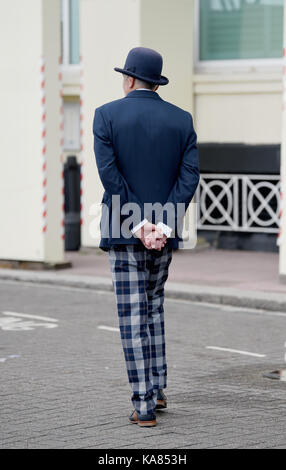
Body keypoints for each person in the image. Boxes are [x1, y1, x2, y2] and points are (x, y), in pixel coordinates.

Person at [93, 46, 200, 427]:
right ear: (155, 82)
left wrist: (138, 225)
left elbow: (110, 177)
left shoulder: (106, 115)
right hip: (164, 235)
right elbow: (188, 178)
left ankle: (144, 404)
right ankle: (156, 387)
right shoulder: (181, 120)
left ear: (129, 79)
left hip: (124, 233)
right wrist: (163, 227)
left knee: (132, 316)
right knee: (153, 309)